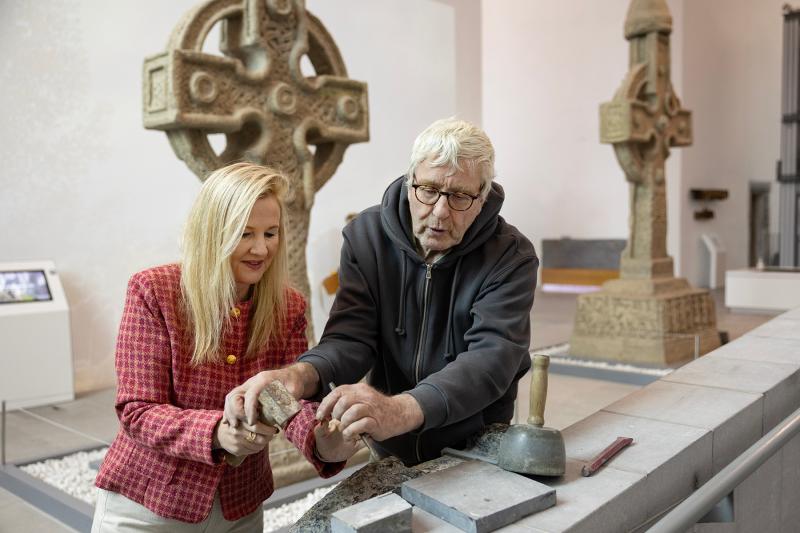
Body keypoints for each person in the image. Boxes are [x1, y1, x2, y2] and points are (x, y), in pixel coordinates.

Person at [225, 118, 538, 466]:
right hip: (393, 441)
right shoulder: (366, 237)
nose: (439, 212)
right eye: (429, 190)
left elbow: (491, 361)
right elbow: (350, 338)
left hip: (474, 438)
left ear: (482, 197)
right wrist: (298, 375)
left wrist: (401, 408)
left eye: (460, 196)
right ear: (409, 181)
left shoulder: (511, 256)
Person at [92, 163, 357, 531]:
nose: (261, 248)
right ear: (213, 231)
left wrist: (323, 442)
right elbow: (137, 410)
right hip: (150, 505)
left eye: (271, 233)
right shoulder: (154, 291)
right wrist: (216, 432)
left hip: (240, 510)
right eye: (245, 233)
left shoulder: (289, 307)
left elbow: (286, 402)